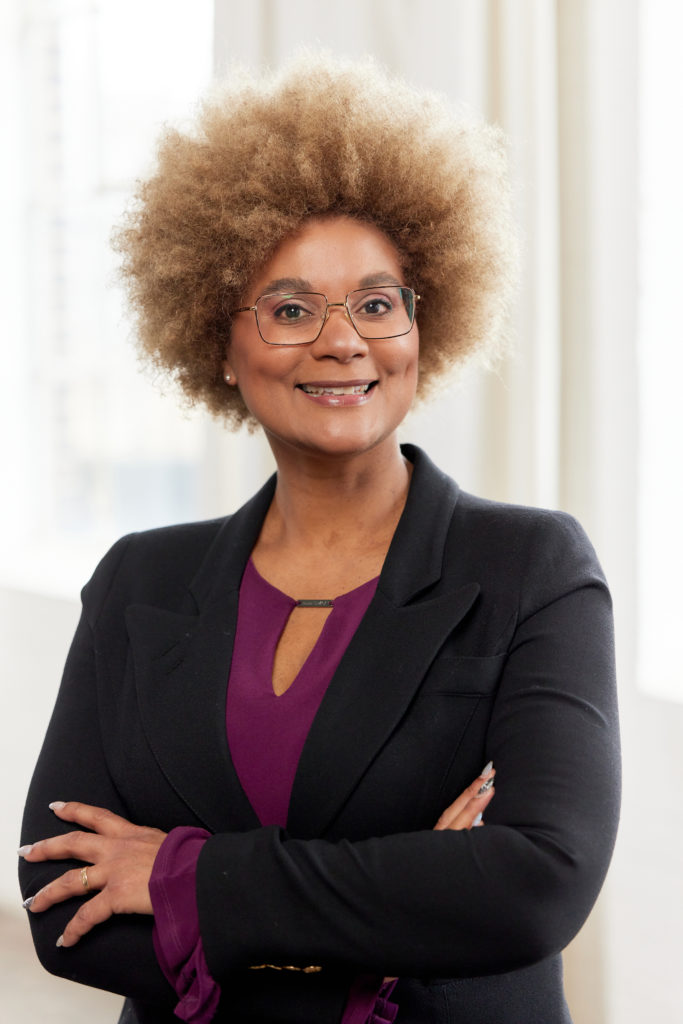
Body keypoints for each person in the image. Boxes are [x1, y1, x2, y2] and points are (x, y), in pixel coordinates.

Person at [18, 54, 620, 1024]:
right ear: (219, 338)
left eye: (377, 303)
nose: (341, 341)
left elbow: (531, 884)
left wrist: (185, 880)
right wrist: (397, 917)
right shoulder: (141, 578)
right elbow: (64, 908)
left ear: (426, 324)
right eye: (290, 307)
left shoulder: (529, 569)